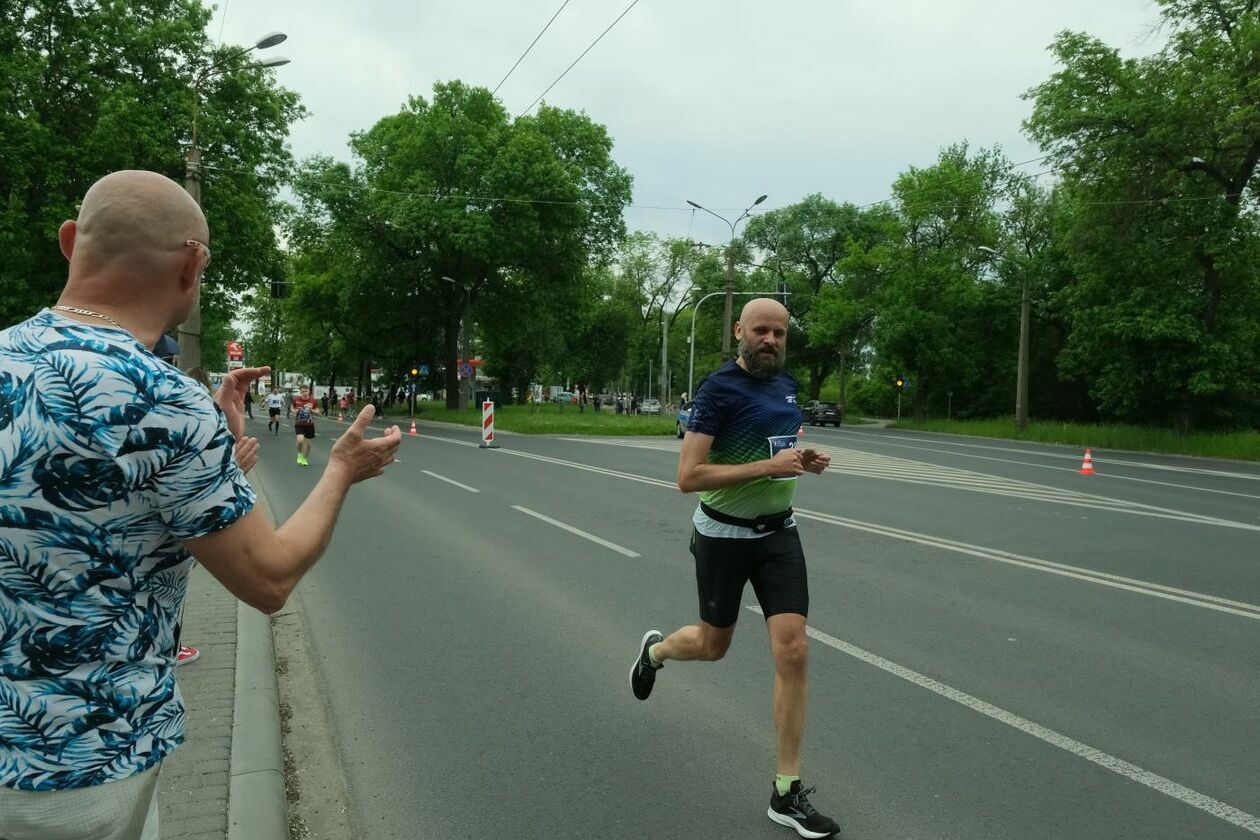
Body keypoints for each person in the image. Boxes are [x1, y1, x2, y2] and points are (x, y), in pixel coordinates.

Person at [0, 170, 401, 840]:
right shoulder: (161, 399)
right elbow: (267, 578)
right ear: (191, 265)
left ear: (71, 243)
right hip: (78, 766)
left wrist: (217, 437)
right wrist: (339, 471)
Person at [629, 298, 839, 839]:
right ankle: (655, 652)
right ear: (739, 331)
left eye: (780, 333)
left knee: (793, 648)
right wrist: (768, 466)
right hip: (722, 536)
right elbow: (689, 476)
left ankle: (786, 791)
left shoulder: (786, 387)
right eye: (761, 331)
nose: (771, 340)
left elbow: (777, 450)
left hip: (779, 535)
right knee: (713, 644)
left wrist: (799, 459)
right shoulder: (716, 391)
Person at [291, 385, 320, 466]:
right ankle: (299, 454)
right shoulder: (296, 399)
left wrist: (312, 410)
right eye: (303, 391)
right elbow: (292, 408)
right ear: (300, 392)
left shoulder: (313, 400)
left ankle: (304, 458)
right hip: (299, 424)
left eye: (306, 391)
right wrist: (295, 411)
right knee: (300, 440)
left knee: (308, 445)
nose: (304, 393)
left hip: (309, 424)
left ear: (309, 391)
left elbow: (318, 411)